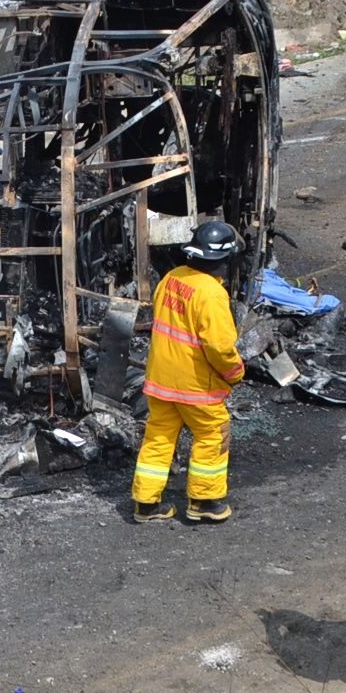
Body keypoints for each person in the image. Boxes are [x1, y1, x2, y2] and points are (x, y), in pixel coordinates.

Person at [131, 220, 245, 523]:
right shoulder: (211, 294)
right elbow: (220, 347)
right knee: (212, 434)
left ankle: (146, 504)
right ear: (223, 259)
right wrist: (235, 373)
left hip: (160, 380)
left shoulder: (170, 279)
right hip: (196, 386)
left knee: (158, 438)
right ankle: (205, 502)